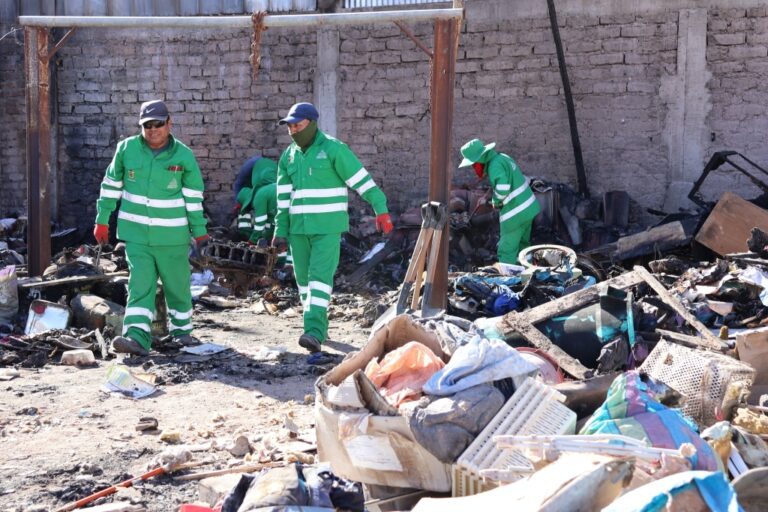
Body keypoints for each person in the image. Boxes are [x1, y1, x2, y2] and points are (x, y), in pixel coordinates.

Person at [272, 102, 393, 353]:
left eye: (297, 125)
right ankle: (319, 326)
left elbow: (361, 180)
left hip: (327, 228)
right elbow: (282, 198)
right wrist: (280, 231)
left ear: (311, 123)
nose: (293, 130)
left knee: (319, 278)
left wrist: (380, 208)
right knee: (304, 282)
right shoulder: (289, 156)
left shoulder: (333, 149)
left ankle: (313, 331)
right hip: (298, 230)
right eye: (290, 126)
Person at [93, 99, 209, 356]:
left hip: (172, 236)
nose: (153, 129)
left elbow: (193, 198)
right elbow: (110, 186)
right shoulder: (127, 149)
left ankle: (182, 332)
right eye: (147, 125)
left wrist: (200, 233)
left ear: (169, 123)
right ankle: (135, 337)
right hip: (137, 237)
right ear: (141, 126)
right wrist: (102, 219)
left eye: (158, 124)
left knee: (176, 285)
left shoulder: (183, 155)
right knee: (140, 285)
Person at [458, 138, 540, 264]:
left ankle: (507, 275)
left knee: (506, 251)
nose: (474, 167)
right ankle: (526, 270)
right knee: (523, 246)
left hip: (515, 214)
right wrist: (487, 197)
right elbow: (507, 181)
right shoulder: (502, 158)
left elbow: (502, 189)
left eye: (474, 164)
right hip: (529, 209)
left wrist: (493, 202)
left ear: (479, 159)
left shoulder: (494, 166)